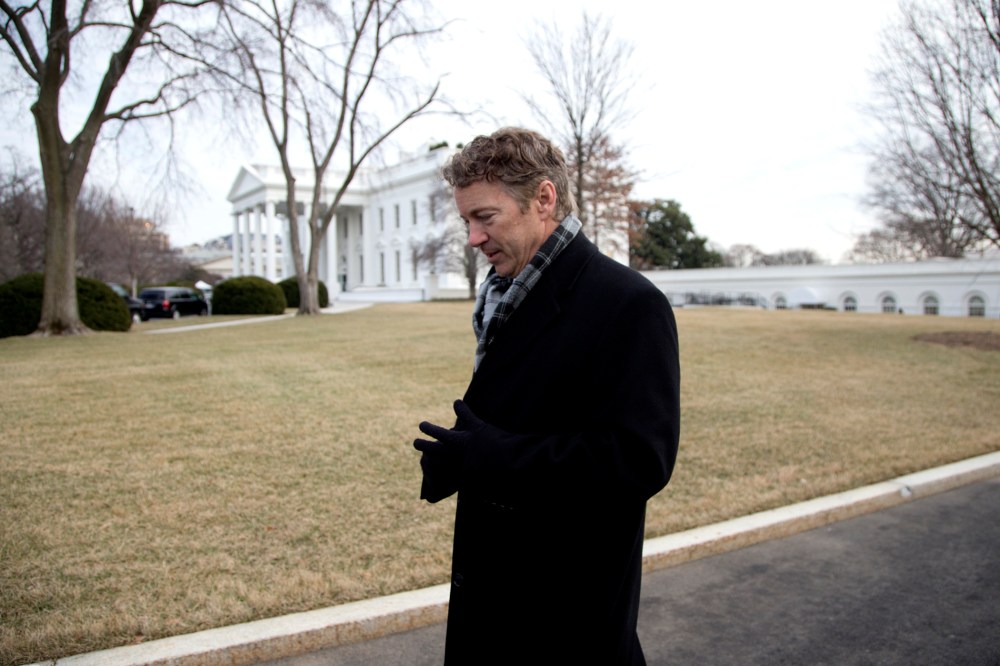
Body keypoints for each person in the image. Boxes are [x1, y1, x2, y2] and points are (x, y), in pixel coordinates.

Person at [413, 127, 680, 665]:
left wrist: (487, 457)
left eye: (484, 218)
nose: (472, 238)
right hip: (495, 604)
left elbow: (637, 461)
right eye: (467, 220)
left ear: (543, 198)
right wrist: (459, 463)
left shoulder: (628, 303)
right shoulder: (503, 297)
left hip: (566, 619)